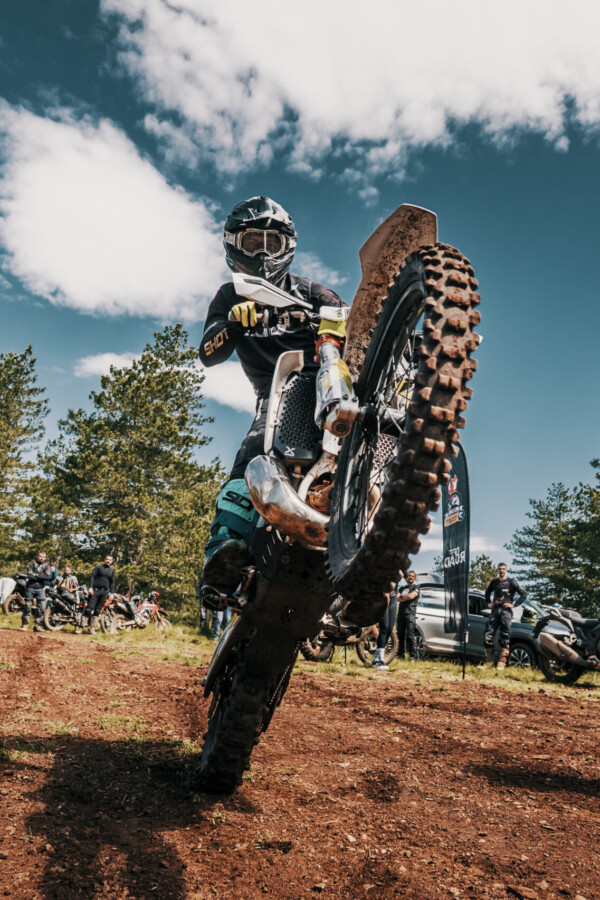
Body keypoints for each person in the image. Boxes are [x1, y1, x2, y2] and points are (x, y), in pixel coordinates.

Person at [198, 196, 345, 594]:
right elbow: (208, 353)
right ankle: (224, 546)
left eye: (271, 243)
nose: (263, 253)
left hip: (329, 382)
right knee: (254, 448)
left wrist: (328, 325)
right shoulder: (229, 296)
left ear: (287, 247)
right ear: (235, 246)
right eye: (252, 243)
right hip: (276, 393)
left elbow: (357, 326)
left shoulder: (314, 292)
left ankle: (379, 561)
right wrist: (233, 323)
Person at [483, 562, 527, 669]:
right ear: (497, 570)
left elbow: (524, 594)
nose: (501, 571)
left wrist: (514, 605)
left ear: (506, 570)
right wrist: (488, 603)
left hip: (506, 612)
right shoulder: (494, 582)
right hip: (495, 611)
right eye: (499, 569)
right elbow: (487, 592)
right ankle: (489, 662)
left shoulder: (512, 582)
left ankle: (501, 663)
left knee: (505, 636)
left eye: (503, 569)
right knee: (488, 635)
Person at [21, 550, 53, 633]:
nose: (42, 558)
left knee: (42, 607)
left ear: (45, 558)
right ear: (37, 556)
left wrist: (35, 575)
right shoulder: (31, 564)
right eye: (40, 556)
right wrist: (40, 576)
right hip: (30, 587)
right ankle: (25, 624)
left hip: (40, 588)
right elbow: (30, 575)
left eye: (43, 557)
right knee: (28, 606)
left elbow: (47, 577)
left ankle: (37, 625)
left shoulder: (46, 566)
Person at [85, 555, 115, 634]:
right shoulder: (99, 567)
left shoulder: (111, 570)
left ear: (112, 561)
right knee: (89, 609)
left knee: (98, 610)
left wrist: (112, 593)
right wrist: (90, 587)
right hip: (95, 590)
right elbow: (92, 577)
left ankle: (92, 629)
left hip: (104, 593)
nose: (108, 561)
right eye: (107, 559)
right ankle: (81, 627)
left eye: (110, 560)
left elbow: (112, 583)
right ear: (105, 559)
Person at [372, 586, 398, 670]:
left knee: (390, 628)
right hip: (382, 597)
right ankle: (380, 660)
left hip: (393, 597)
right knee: (384, 627)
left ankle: (376, 659)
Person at [396, 571, 420, 661]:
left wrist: (402, 596)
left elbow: (411, 597)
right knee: (400, 635)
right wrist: (406, 597)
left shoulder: (416, 587)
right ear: (406, 578)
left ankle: (412, 656)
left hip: (410, 614)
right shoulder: (402, 588)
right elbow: (397, 599)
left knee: (410, 635)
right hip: (400, 614)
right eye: (409, 576)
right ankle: (400, 654)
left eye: (412, 576)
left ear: (414, 578)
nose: (410, 577)